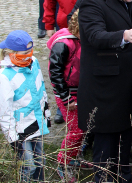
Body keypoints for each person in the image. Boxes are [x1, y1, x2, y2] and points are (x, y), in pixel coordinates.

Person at [77, 0, 132, 183]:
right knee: (106, 149)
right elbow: (95, 36)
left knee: (125, 142)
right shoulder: (92, 4)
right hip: (104, 92)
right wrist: (123, 36)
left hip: (126, 89)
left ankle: (125, 177)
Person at [0, 30, 50, 182]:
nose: (28, 57)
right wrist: (12, 138)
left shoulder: (33, 62)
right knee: (28, 167)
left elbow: (41, 90)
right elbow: (4, 111)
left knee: (40, 162)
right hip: (20, 129)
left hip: (36, 123)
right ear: (11, 53)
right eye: (24, 54)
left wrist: (45, 116)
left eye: (30, 52)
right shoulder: (5, 77)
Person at [47, 10, 84, 181]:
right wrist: (65, 97)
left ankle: (72, 157)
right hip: (68, 93)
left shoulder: (82, 39)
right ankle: (63, 163)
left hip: (81, 90)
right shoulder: (64, 44)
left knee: (82, 129)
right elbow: (55, 73)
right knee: (75, 131)